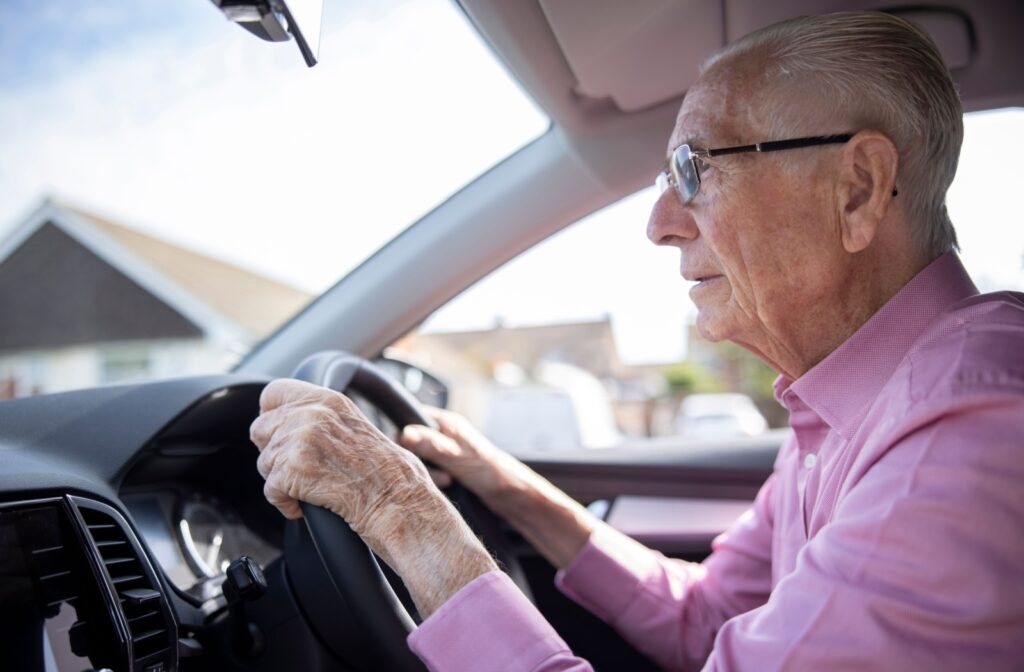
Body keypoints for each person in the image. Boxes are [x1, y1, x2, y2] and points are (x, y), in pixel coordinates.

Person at [248, 11, 1024, 671]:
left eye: (694, 168)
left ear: (855, 189)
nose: (658, 223)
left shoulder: (963, 439)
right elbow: (706, 614)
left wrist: (400, 510)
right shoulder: (855, 406)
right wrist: (506, 484)